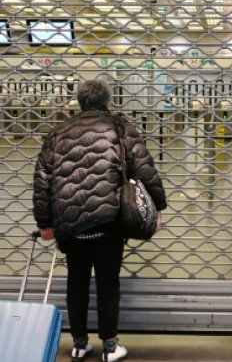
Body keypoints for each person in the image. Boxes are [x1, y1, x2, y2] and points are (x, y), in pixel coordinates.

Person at [32, 79, 167, 362]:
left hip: (70, 222)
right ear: (107, 101)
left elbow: (42, 179)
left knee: (76, 281)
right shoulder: (120, 127)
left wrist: (45, 223)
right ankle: (110, 347)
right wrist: (159, 207)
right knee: (108, 283)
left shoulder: (58, 132)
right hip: (108, 219)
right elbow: (144, 168)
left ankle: (79, 344)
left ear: (79, 102)